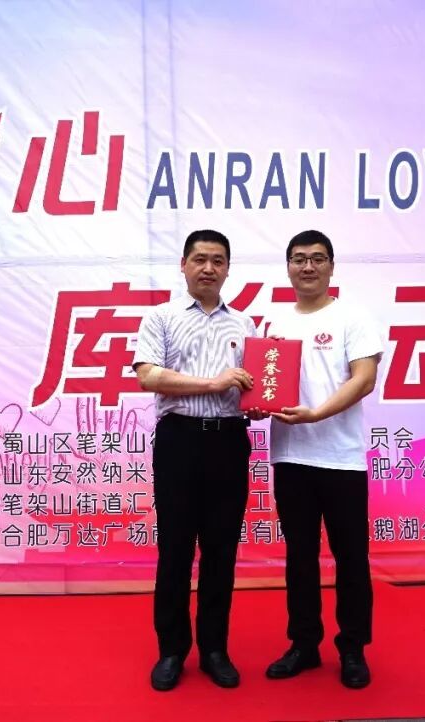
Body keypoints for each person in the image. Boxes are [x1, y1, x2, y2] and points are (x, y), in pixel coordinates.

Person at [248, 229, 383, 689]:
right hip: (291, 458)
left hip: (342, 459)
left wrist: (316, 414)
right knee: (300, 556)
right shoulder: (274, 323)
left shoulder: (352, 316)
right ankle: (304, 644)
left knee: (351, 557)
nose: (308, 267)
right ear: (288, 267)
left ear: (331, 267)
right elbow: (264, 386)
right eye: (299, 259)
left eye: (317, 258)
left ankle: (353, 648)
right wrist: (256, 406)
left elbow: (364, 379)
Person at [133, 229, 257, 691]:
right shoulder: (161, 317)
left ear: (228, 269)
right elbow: (148, 376)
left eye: (217, 260)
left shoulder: (245, 324)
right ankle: (171, 651)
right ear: (183, 265)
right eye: (200, 259)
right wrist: (213, 383)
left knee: (222, 550)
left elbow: (252, 386)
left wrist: (260, 403)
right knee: (176, 549)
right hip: (179, 441)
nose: (208, 268)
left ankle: (214, 649)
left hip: (229, 442)